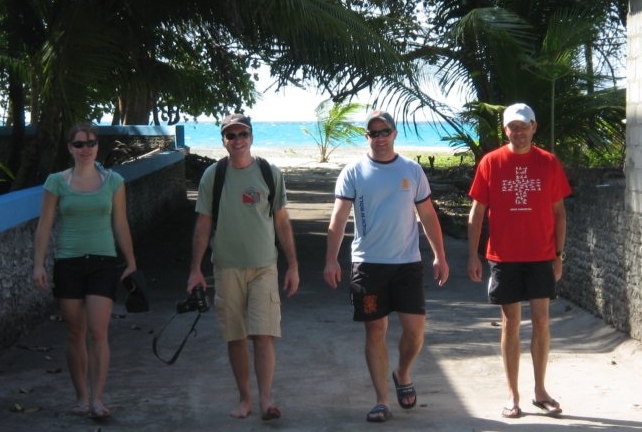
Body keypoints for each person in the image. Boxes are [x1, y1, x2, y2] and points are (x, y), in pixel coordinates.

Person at [323, 110, 449, 423]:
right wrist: (330, 260)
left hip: (407, 264)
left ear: (394, 133)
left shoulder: (411, 170)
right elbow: (338, 220)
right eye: (373, 133)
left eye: (385, 131)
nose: (380, 138)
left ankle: (402, 372)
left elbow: (428, 215)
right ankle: (381, 400)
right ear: (366, 137)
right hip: (368, 266)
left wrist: (440, 255)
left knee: (414, 331)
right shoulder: (353, 172)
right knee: (375, 329)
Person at [187, 113, 299, 421]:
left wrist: (293, 266)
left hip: (264, 267)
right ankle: (245, 399)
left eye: (242, 134)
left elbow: (281, 221)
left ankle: (266, 400)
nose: (237, 141)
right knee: (235, 336)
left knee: (263, 334)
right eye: (231, 136)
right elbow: (203, 223)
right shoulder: (213, 175)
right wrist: (195, 269)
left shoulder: (268, 172)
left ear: (251, 136)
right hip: (225, 268)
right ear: (223, 140)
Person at [466, 103, 571, 419]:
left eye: (524, 125)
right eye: (513, 126)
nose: (519, 131)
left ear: (534, 127)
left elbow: (559, 212)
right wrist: (473, 254)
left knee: (541, 319)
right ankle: (513, 396)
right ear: (505, 129)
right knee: (511, 322)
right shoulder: (491, 162)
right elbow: (477, 212)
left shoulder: (548, 163)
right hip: (504, 256)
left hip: (540, 255)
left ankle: (541, 391)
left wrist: (558, 255)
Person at [33, 123, 137, 419]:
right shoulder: (56, 182)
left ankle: (98, 399)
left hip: (103, 262)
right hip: (68, 262)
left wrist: (131, 261)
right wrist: (38, 264)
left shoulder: (114, 181)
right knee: (75, 332)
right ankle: (81, 397)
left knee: (98, 331)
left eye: (91, 143)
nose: (86, 149)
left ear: (97, 146)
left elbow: (120, 223)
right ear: (70, 148)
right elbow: (44, 225)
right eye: (79, 144)